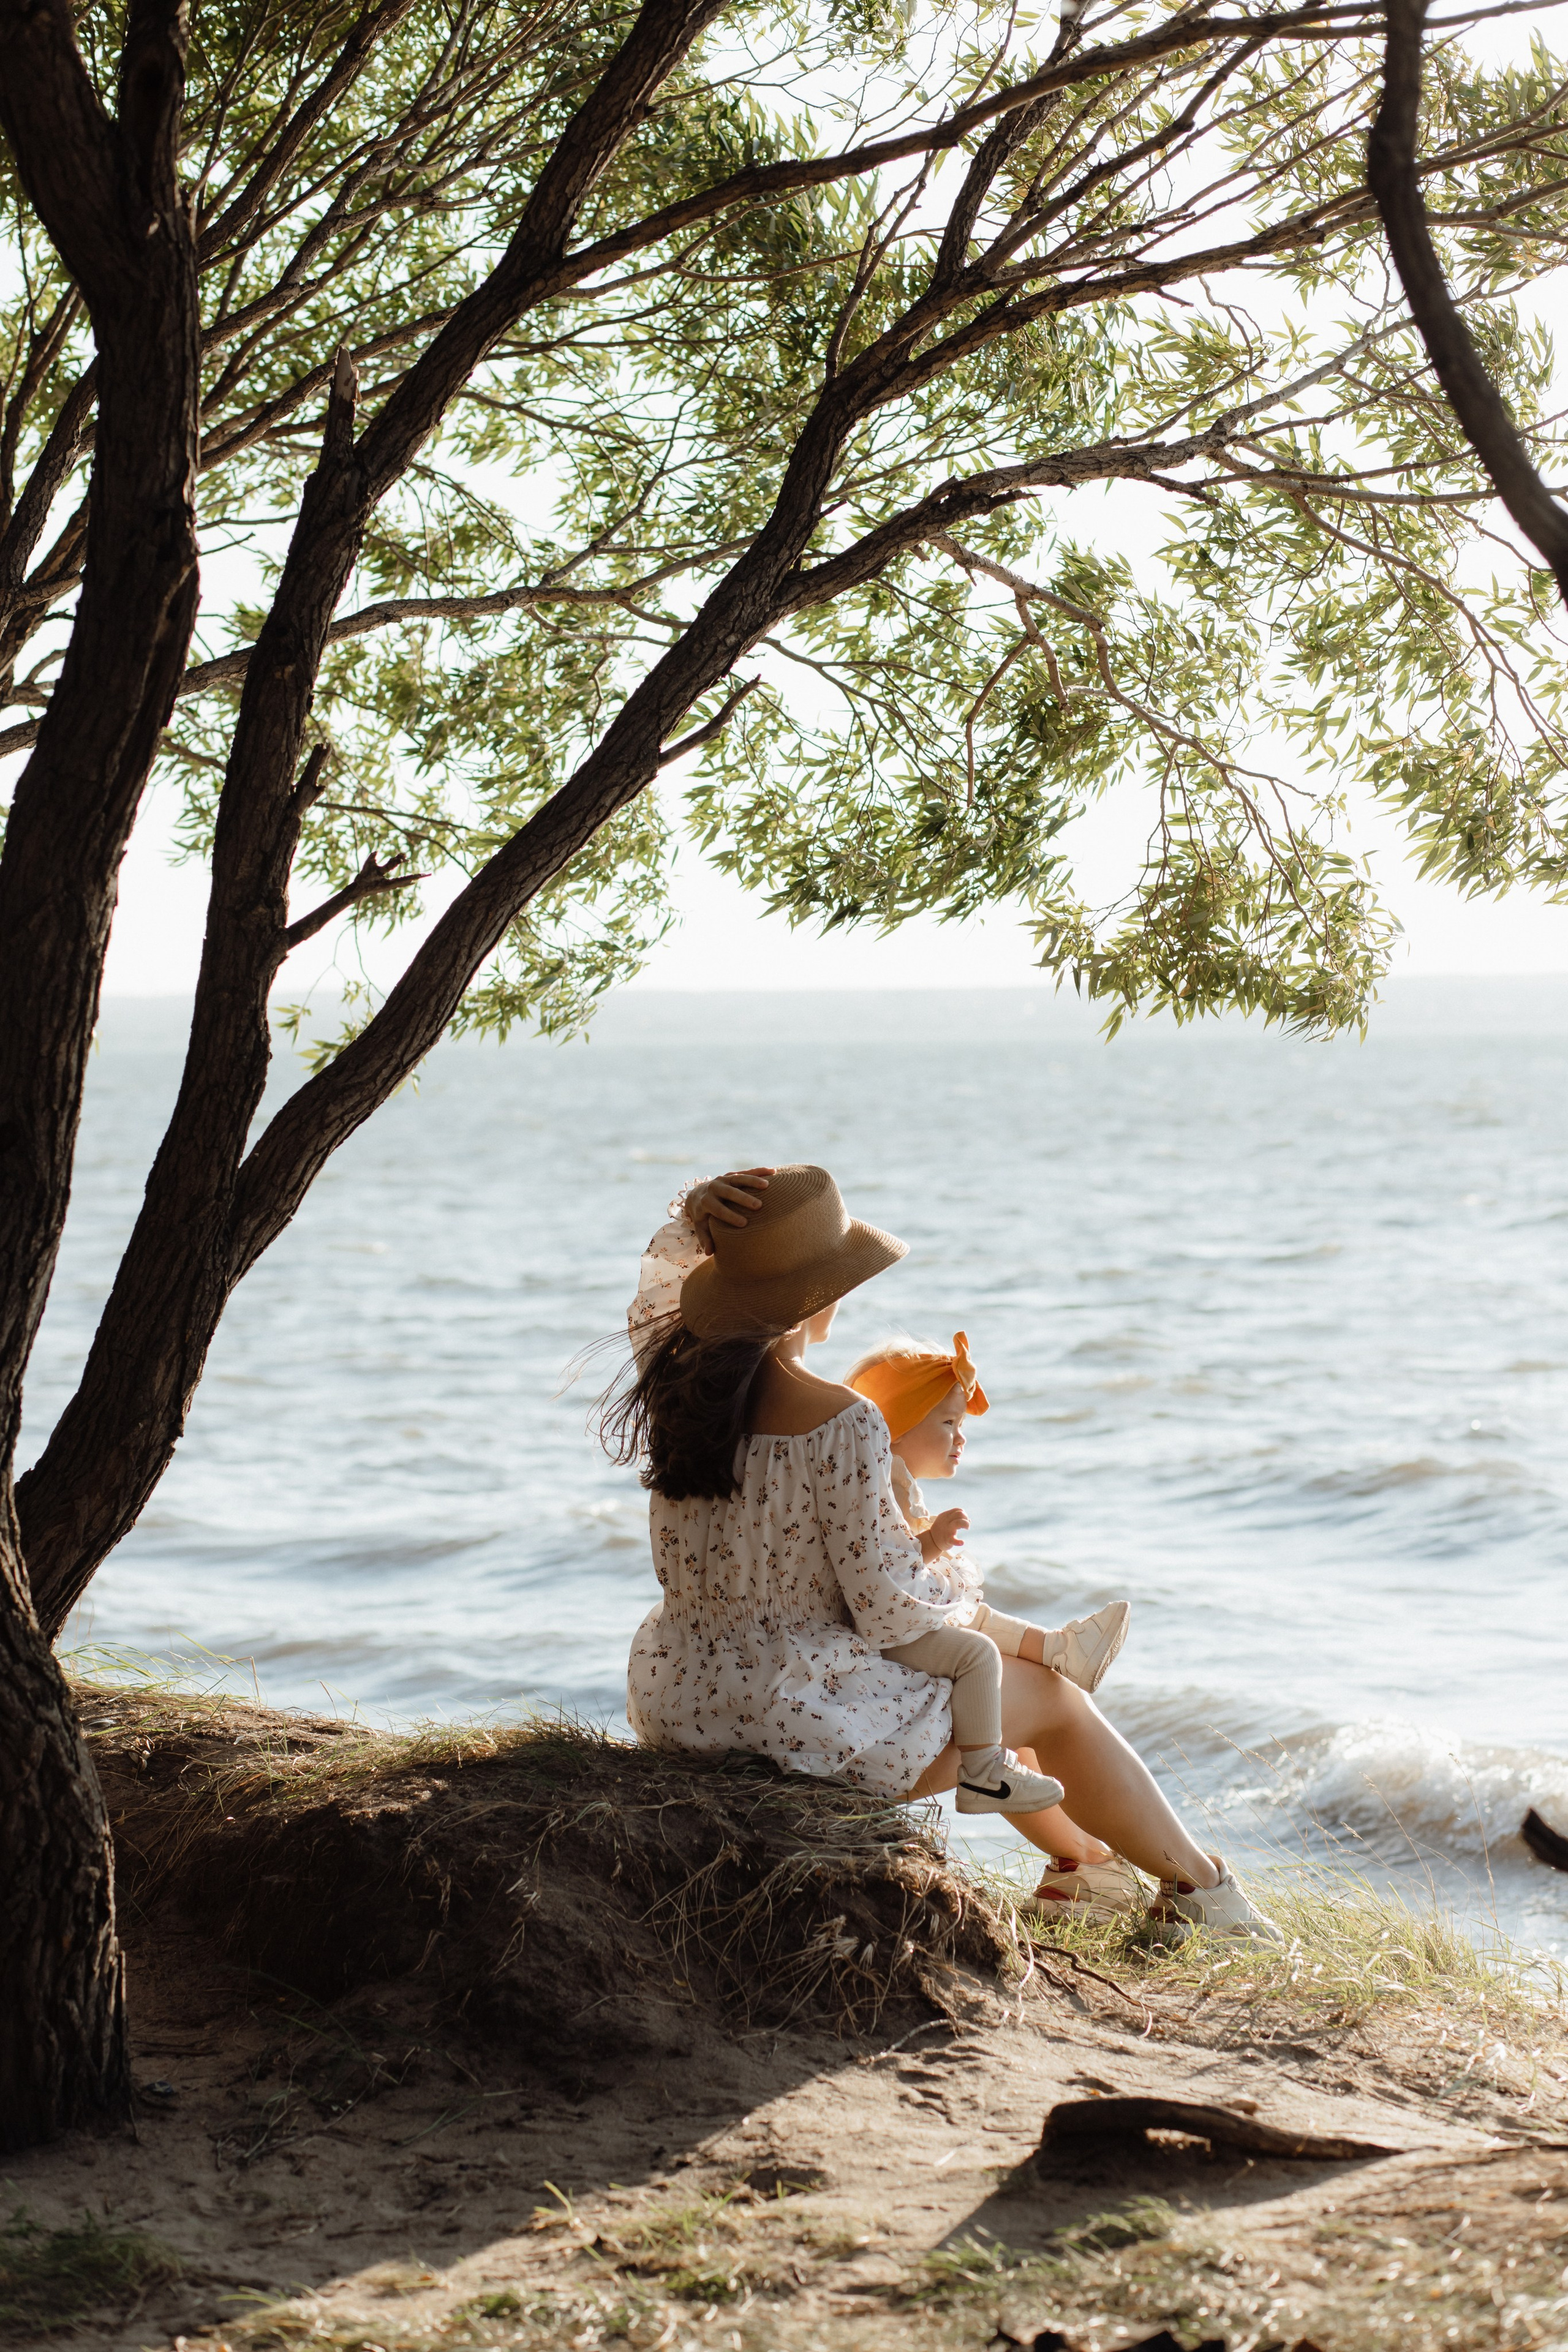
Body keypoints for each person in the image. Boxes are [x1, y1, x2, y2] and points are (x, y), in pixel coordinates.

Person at [609, 1164, 1281, 1943]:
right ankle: (1208, 1898)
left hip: (685, 1699)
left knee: (1008, 1695)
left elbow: (654, 1302)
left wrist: (695, 1219)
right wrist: (969, 1597)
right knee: (1051, 1700)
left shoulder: (674, 1388)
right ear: (820, 1294)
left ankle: (1087, 1870)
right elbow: (889, 1611)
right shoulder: (843, 1421)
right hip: (792, 1722)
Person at [845, 1332, 1140, 1904]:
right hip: (886, 1649)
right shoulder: (886, 1492)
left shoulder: (888, 1483)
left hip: (895, 1635)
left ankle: (1079, 1861)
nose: (960, 1441)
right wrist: (930, 1543)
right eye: (948, 1425)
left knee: (1019, 1731)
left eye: (962, 1427)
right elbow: (892, 1582)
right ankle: (1084, 1858)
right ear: (898, 1426)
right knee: (989, 1674)